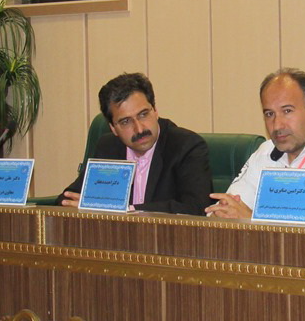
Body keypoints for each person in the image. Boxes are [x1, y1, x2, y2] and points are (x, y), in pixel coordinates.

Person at [205, 68, 305, 225]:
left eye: (287, 111)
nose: (277, 125)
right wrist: (225, 213)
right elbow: (225, 209)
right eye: (269, 114)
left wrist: (253, 220)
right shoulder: (265, 153)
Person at [57, 73, 213, 215]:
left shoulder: (185, 146)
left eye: (143, 114)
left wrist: (127, 210)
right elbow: (68, 198)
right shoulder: (108, 147)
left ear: (155, 111)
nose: (139, 129)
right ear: (113, 128)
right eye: (126, 122)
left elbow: (197, 207)